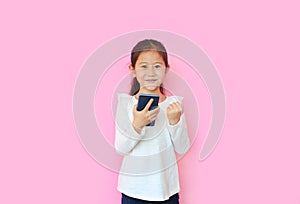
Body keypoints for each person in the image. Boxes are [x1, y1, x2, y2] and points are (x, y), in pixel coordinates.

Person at [114, 39, 190, 204]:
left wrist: (175, 122)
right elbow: (121, 148)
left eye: (157, 66)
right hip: (133, 191)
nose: (151, 73)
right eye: (143, 66)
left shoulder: (173, 105)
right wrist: (137, 124)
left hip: (166, 191)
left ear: (166, 70)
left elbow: (182, 147)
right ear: (132, 70)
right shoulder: (126, 104)